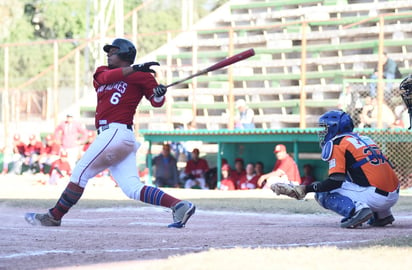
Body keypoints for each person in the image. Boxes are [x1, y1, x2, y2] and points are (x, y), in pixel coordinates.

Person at [24, 38, 195, 229]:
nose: (108, 54)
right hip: (113, 137)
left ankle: (54, 216)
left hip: (117, 132)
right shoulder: (102, 72)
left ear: (124, 54)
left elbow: (156, 102)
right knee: (132, 188)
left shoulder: (143, 76)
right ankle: (178, 205)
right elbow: (106, 79)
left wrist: (159, 92)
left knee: (80, 172)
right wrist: (136, 68)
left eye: (113, 52)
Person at [272, 110, 399, 229]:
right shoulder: (365, 139)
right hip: (393, 194)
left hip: (375, 197)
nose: (322, 132)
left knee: (323, 194)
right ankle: (383, 215)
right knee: (355, 172)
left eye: (325, 128)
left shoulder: (338, 143)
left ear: (335, 128)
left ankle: (357, 210)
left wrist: (306, 188)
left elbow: (335, 181)